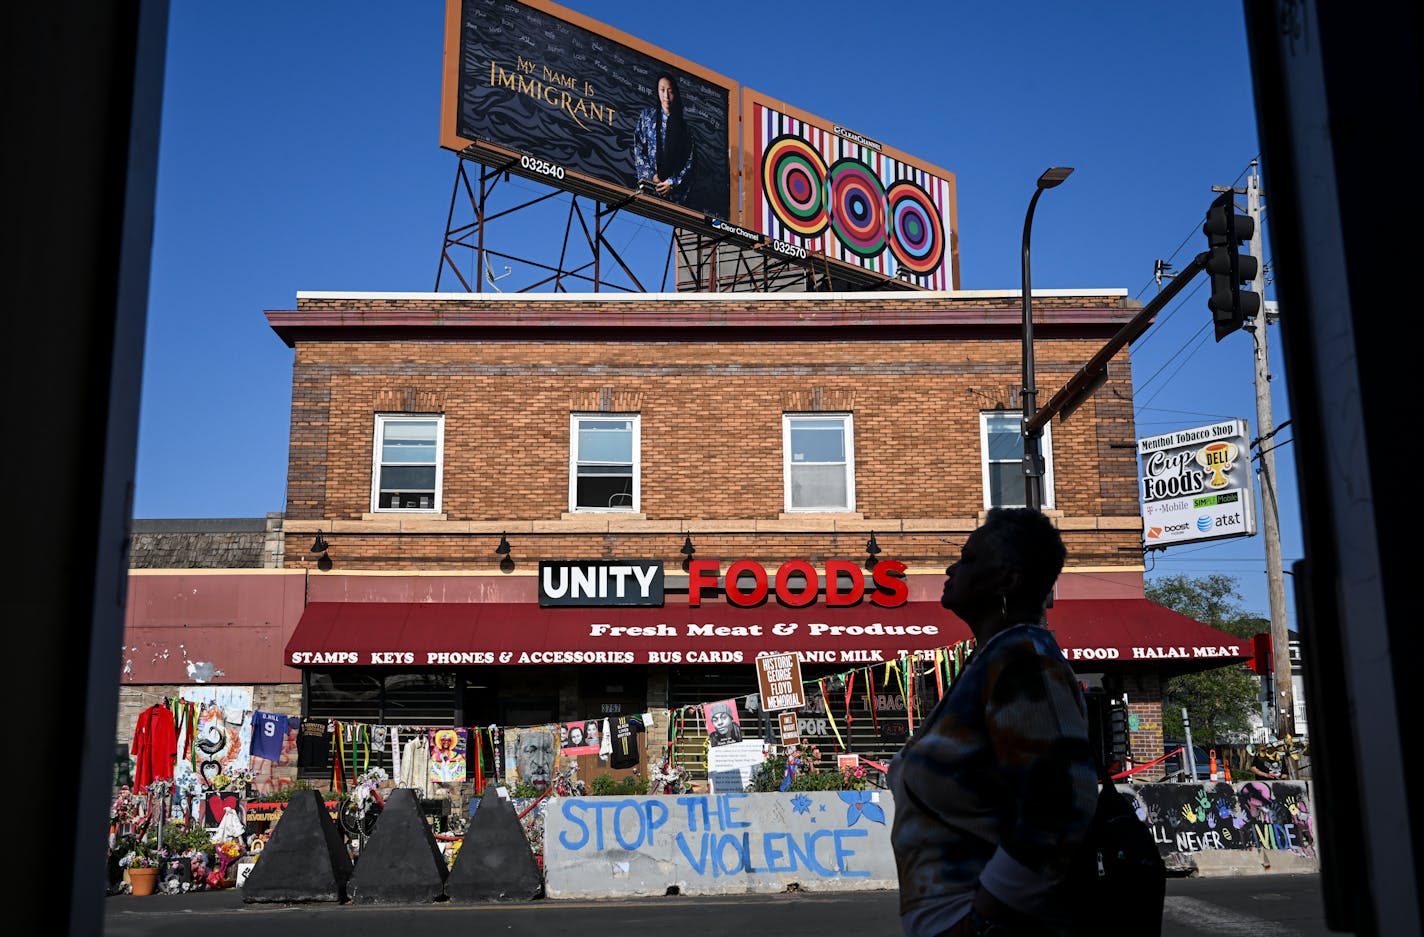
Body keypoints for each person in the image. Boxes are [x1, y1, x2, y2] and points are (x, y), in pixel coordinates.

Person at [889, 508, 1098, 937]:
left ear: (1008, 579)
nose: (950, 568)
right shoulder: (989, 661)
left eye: (967, 558)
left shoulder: (1023, 658)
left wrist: (984, 918)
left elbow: (1062, 798)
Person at [633, 73, 694, 204]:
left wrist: (671, 183)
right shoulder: (647, 117)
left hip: (673, 195)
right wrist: (651, 176)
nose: (666, 96)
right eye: (662, 90)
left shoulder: (685, 129)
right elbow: (638, 148)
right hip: (648, 188)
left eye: (670, 91)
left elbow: (689, 162)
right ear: (657, 91)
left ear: (676, 93)